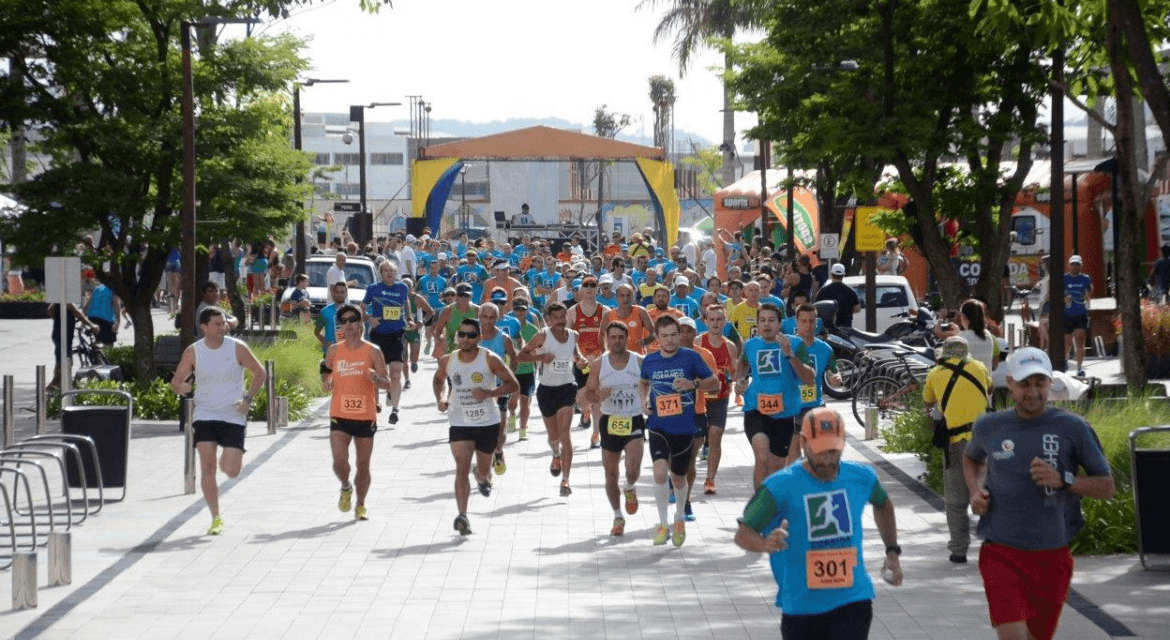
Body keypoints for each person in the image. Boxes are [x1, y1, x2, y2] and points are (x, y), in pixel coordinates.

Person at [964, 347, 1115, 640]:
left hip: (1052, 556)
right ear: (1009, 383)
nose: (1032, 392)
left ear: (1050, 384)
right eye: (1024, 384)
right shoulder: (989, 425)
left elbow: (1107, 487)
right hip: (1001, 552)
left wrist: (1064, 480)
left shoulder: (1074, 427)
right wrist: (975, 490)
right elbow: (972, 459)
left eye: (1040, 383)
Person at [735, 407, 904, 640]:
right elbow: (743, 533)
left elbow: (883, 504)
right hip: (802, 608)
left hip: (853, 600)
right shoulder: (779, 487)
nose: (828, 460)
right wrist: (764, 544)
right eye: (821, 451)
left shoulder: (860, 477)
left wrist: (892, 552)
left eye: (834, 451)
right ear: (803, 443)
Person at [171, 307, 267, 535]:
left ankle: (228, 458)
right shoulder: (194, 351)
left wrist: (247, 399)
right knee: (207, 466)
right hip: (205, 414)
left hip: (233, 413)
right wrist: (181, 387)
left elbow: (260, 373)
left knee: (232, 471)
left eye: (224, 323)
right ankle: (216, 518)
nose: (222, 327)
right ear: (204, 327)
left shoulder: (237, 347)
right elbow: (176, 381)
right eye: (217, 324)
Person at [434, 317, 519, 536]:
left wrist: (489, 393)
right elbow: (438, 379)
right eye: (461, 334)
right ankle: (462, 515)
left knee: (482, 469)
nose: (465, 339)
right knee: (461, 467)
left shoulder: (490, 359)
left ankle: (481, 476)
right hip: (459, 421)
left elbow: (513, 384)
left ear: (479, 337)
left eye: (471, 335)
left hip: (487, 422)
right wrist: (441, 398)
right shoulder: (448, 360)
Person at [639, 315, 718, 546]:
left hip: (684, 427)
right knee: (659, 472)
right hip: (657, 426)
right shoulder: (650, 360)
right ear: (657, 337)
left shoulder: (691, 357)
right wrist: (643, 399)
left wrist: (693, 384)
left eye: (674, 334)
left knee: (679, 476)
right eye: (665, 336)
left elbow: (714, 382)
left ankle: (679, 517)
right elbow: (643, 382)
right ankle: (663, 525)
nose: (671, 340)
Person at [922, 335, 991, 563]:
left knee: (955, 497)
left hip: (956, 442)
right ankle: (995, 543)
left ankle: (959, 550)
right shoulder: (979, 367)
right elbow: (990, 389)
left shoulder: (935, 373)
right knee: (991, 491)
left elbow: (928, 403)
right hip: (985, 441)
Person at [738, 303, 815, 489]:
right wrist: (740, 381)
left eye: (771, 320)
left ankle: (773, 508)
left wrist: (790, 355)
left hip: (785, 413)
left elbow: (809, 378)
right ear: (757, 323)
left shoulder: (796, 344)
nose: (767, 324)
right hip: (755, 410)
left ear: (780, 324)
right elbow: (742, 365)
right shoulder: (750, 345)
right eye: (762, 320)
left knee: (775, 470)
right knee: (762, 458)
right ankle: (759, 511)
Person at [582, 321, 646, 536]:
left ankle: (629, 486)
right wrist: (597, 396)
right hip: (610, 422)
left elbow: (651, 386)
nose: (616, 341)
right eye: (613, 337)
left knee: (632, 469)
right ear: (606, 339)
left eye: (621, 337)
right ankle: (618, 516)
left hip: (634, 420)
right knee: (610, 474)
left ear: (626, 338)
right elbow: (588, 394)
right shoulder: (600, 364)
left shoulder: (639, 361)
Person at [517, 302, 584, 497]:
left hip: (567, 389)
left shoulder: (573, 335)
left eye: (562, 317)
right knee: (554, 438)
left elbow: (576, 355)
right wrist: (541, 357)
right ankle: (556, 455)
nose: (560, 321)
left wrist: (581, 362)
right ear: (548, 319)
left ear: (566, 318)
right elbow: (521, 356)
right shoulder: (542, 336)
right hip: (546, 390)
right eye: (555, 318)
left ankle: (566, 480)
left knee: (566, 435)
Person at [788, 302, 841, 467]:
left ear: (816, 322)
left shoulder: (825, 349)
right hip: (792, 405)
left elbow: (834, 370)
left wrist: (836, 377)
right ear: (796, 322)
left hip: (815, 405)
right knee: (793, 452)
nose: (808, 325)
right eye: (803, 321)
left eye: (811, 321)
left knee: (817, 450)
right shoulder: (787, 345)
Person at [363, 261, 413, 425]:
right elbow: (362, 307)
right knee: (377, 373)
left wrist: (410, 319)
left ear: (396, 272)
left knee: (396, 372)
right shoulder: (373, 289)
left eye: (391, 270)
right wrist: (370, 318)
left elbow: (406, 303)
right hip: (378, 335)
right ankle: (375, 404)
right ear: (380, 273)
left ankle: (395, 410)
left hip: (397, 334)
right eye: (385, 271)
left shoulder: (402, 288)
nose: (389, 273)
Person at [698, 303, 737, 496]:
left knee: (715, 436)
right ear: (705, 321)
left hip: (720, 397)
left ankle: (710, 479)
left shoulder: (729, 346)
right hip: (697, 397)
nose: (715, 323)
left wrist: (739, 382)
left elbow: (735, 373)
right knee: (694, 440)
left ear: (725, 321)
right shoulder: (697, 343)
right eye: (711, 319)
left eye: (719, 319)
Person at [476, 303, 518, 476]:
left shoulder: (504, 338)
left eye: (492, 317)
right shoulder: (472, 337)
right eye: (484, 316)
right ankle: (484, 468)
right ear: (479, 317)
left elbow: (514, 359)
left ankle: (499, 451)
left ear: (497, 318)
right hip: (476, 391)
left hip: (498, 390)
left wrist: (508, 379)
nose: (487, 320)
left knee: (500, 429)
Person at [568, 275, 608, 447]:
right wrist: (577, 358)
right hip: (581, 362)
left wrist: (604, 357)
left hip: (599, 361)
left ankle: (596, 435)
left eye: (593, 285)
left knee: (597, 400)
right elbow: (569, 338)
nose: (590, 288)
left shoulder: (605, 311)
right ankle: (585, 410)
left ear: (597, 289)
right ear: (580, 290)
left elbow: (608, 337)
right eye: (586, 285)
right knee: (582, 398)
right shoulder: (572, 312)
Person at [507, 298, 541, 441]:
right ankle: (513, 415)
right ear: (512, 310)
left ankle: (523, 428)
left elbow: (538, 349)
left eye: (522, 309)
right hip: (511, 369)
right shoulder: (508, 326)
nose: (520, 312)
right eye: (517, 309)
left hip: (527, 370)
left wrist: (533, 357)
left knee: (525, 399)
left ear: (527, 310)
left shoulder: (532, 329)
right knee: (514, 399)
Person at [433, 282, 480, 362]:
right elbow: (437, 331)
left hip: (471, 353)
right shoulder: (448, 310)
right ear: (457, 296)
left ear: (471, 296)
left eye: (466, 295)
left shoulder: (477, 310)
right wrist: (441, 341)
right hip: (451, 352)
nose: (464, 298)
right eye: (461, 295)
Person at [602, 283, 654, 354]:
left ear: (633, 297)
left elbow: (654, 333)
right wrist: (606, 353)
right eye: (622, 295)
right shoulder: (608, 315)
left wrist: (645, 341)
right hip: (616, 358)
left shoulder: (641, 312)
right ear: (616, 297)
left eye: (628, 295)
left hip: (637, 357)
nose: (625, 299)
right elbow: (601, 336)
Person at [1063, 255, 1093, 376]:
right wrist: (1063, 299)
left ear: (1081, 266)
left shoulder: (1085, 278)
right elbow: (1054, 295)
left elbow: (1090, 291)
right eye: (1073, 264)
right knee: (1067, 342)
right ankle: (1064, 363)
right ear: (1069, 265)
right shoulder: (1063, 278)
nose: (1075, 267)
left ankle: (1079, 368)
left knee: (1080, 342)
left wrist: (1087, 297)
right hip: (1067, 314)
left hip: (1081, 313)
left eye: (1077, 265)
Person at [815, 263, 860, 329]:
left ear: (831, 274)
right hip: (846, 328)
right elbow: (857, 309)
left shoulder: (823, 291)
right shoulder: (851, 291)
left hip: (828, 329)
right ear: (843, 275)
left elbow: (816, 308)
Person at [84, 280, 122, 347]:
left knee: (99, 338)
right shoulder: (115, 288)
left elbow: (88, 303)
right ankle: (106, 352)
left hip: (91, 318)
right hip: (106, 320)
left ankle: (96, 343)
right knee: (109, 344)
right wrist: (118, 322)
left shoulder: (98, 287)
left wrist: (82, 316)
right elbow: (116, 305)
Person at [314, 282, 348, 355]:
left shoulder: (353, 311)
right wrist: (327, 343)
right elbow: (317, 332)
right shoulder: (325, 311)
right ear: (333, 293)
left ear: (346, 294)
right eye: (337, 292)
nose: (339, 295)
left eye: (342, 292)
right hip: (329, 353)